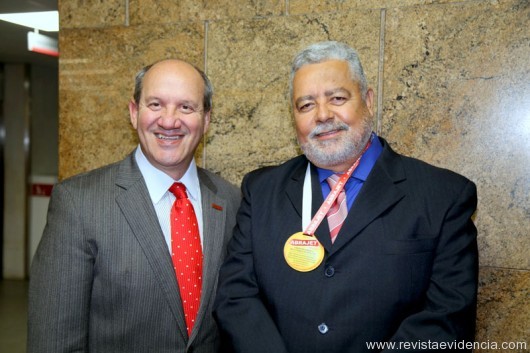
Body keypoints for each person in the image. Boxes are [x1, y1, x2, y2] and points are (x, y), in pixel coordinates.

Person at [213, 41, 478, 353]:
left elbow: (447, 319)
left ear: (367, 100)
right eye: (306, 105)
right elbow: (236, 296)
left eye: (337, 98)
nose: (323, 115)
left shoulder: (443, 196)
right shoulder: (261, 190)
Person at [28, 59, 241, 353]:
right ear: (133, 112)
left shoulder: (230, 200)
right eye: (155, 104)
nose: (169, 120)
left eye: (186, 107)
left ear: (206, 120)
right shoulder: (79, 204)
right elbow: (53, 343)